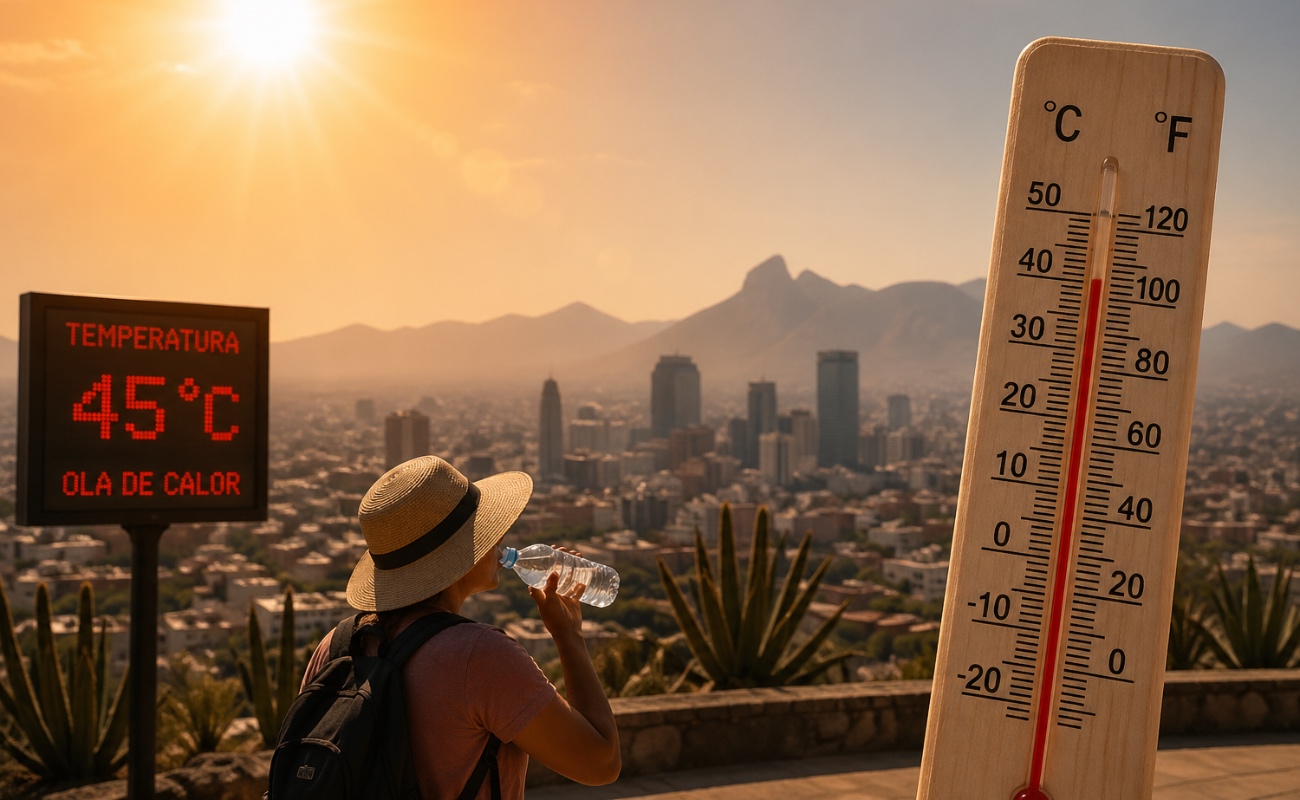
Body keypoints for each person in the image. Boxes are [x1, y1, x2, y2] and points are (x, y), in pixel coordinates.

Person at [299, 455, 621, 798]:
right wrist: (569, 636)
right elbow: (601, 763)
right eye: (484, 530)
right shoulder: (480, 656)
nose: (499, 538)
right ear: (458, 554)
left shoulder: (336, 646)